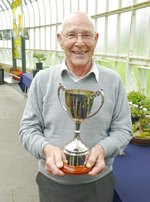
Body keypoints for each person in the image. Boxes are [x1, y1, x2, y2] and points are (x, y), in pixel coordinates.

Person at [19, 11, 132, 202]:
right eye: (71, 35)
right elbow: (27, 129)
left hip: (99, 183)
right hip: (52, 183)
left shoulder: (113, 81)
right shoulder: (43, 80)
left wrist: (103, 149)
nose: (79, 43)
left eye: (87, 35)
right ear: (60, 39)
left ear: (96, 39)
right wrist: (46, 149)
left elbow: (123, 129)